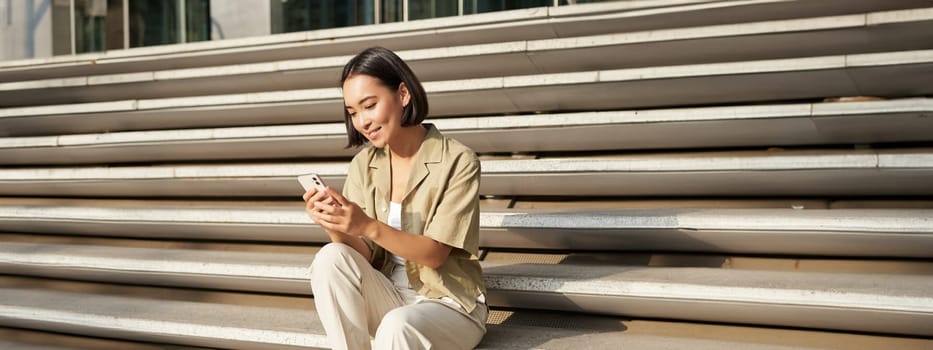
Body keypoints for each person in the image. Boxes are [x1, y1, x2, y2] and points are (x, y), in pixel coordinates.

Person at [302, 46, 487, 350]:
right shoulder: (364, 164)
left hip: (447, 304)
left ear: (403, 94)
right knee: (329, 258)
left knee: (397, 325)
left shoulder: (458, 160)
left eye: (369, 105)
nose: (361, 121)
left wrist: (367, 225)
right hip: (388, 295)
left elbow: (434, 255)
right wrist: (333, 223)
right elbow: (365, 254)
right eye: (352, 112)